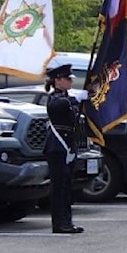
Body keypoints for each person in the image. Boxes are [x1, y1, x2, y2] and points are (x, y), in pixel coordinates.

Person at [44, 64, 87, 234]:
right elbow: (59, 106)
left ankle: (67, 221)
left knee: (66, 186)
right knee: (59, 186)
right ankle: (59, 223)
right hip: (57, 146)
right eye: (67, 79)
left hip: (67, 146)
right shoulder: (55, 98)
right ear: (58, 80)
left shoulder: (67, 98)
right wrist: (77, 99)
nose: (70, 82)